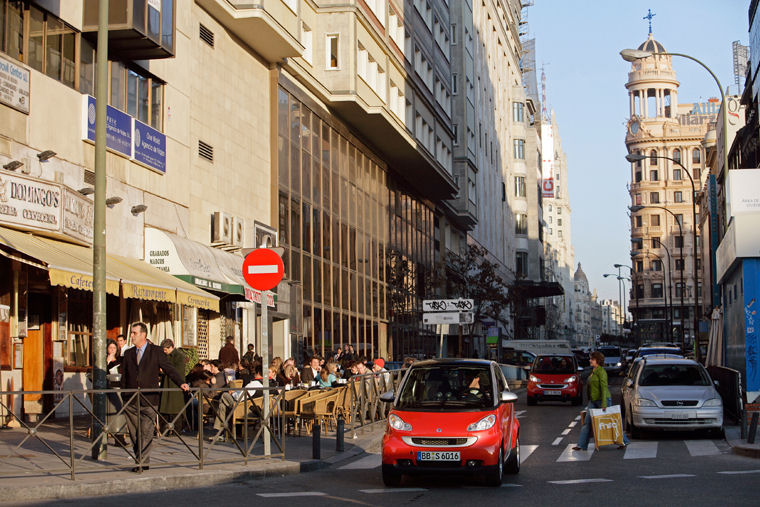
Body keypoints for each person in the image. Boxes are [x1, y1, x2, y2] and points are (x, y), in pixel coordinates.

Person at [121, 322, 188, 472]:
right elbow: (124, 376)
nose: (131, 336)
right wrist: (123, 395)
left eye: (134, 333)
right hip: (131, 399)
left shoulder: (156, 351)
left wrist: (181, 383)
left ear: (143, 335)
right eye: (131, 333)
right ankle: (141, 460)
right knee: (134, 433)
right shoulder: (128, 353)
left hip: (149, 399)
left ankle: (140, 462)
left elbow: (169, 369)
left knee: (146, 431)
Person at [573, 351, 629, 451]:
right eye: (590, 359)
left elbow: (604, 388)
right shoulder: (593, 371)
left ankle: (624, 440)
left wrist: (604, 403)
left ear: (597, 360)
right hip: (594, 400)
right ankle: (581, 445)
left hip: (603, 400)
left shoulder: (601, 372)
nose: (590, 360)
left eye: (592, 359)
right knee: (587, 422)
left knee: (611, 422)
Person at [158, 339, 187, 433]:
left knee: (175, 408)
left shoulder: (179, 356)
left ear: (171, 347)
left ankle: (176, 430)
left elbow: (178, 371)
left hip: (175, 384)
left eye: (166, 349)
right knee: (164, 407)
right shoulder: (164, 356)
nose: (164, 351)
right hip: (166, 384)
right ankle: (164, 429)